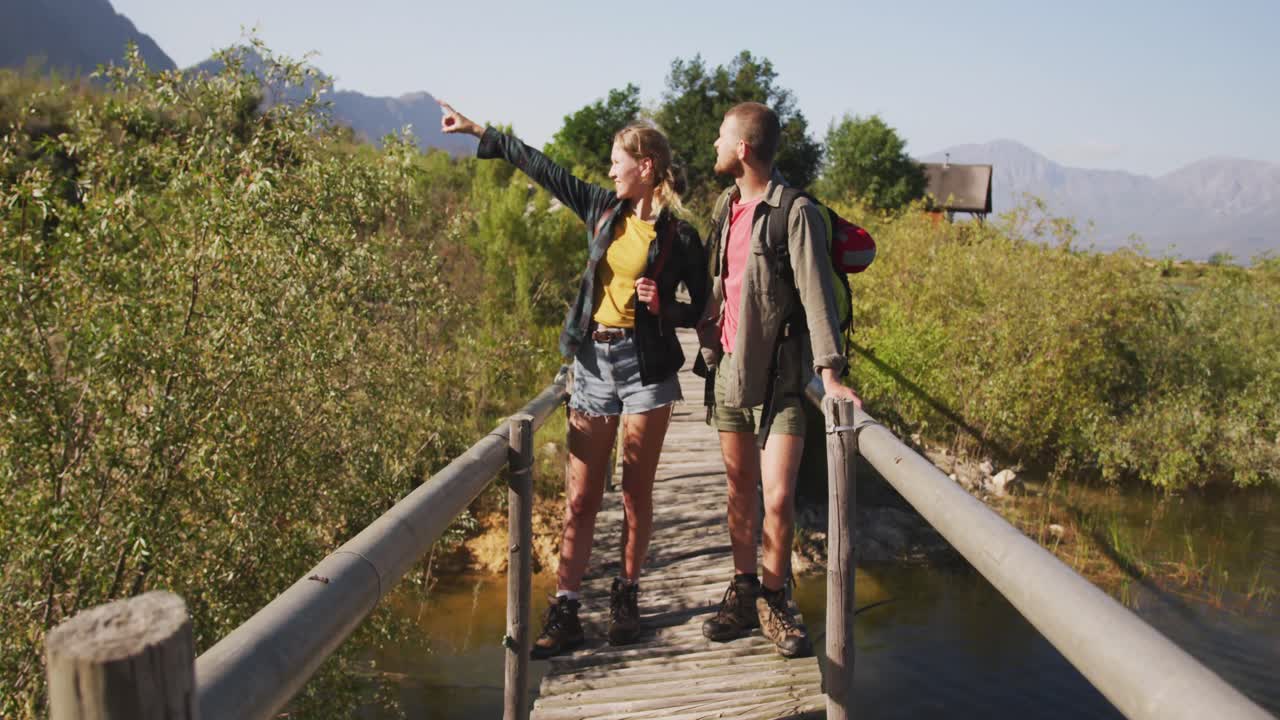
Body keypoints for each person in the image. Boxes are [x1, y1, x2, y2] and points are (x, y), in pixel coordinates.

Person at [440, 102, 707, 658]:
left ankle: (626, 595)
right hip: (592, 364)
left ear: (646, 167)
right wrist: (481, 132)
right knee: (582, 498)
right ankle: (566, 609)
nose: (610, 171)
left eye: (617, 162)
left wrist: (666, 307)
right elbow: (544, 167)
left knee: (634, 493)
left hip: (647, 369)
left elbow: (702, 308)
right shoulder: (602, 209)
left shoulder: (681, 237)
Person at [696, 102, 862, 658]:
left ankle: (774, 598)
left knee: (780, 496)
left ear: (743, 148)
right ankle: (744, 593)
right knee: (739, 489)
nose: (715, 145)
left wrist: (830, 376)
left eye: (722, 137)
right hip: (729, 369)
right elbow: (721, 281)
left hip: (782, 378)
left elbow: (816, 296)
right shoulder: (725, 206)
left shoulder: (796, 212)